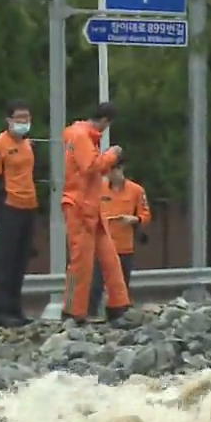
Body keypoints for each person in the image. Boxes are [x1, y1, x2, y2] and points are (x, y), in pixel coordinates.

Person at [61, 102, 130, 323]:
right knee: (80, 263)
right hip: (80, 206)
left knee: (110, 258)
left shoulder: (79, 134)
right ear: (105, 121)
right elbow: (90, 166)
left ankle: (118, 305)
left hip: (90, 206)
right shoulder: (82, 137)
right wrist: (112, 155)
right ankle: (73, 310)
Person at [0, 100, 38, 329]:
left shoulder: (27, 144)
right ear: (9, 120)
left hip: (28, 206)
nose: (23, 122)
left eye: (27, 117)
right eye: (19, 118)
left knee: (20, 261)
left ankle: (15, 309)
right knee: (3, 261)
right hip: (8, 207)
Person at [89, 159, 151, 316]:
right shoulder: (99, 188)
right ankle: (91, 315)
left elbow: (146, 214)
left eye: (114, 169)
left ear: (121, 168)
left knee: (120, 287)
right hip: (102, 246)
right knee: (95, 284)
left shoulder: (136, 190)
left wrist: (134, 219)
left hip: (124, 246)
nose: (111, 173)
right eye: (108, 170)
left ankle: (117, 316)